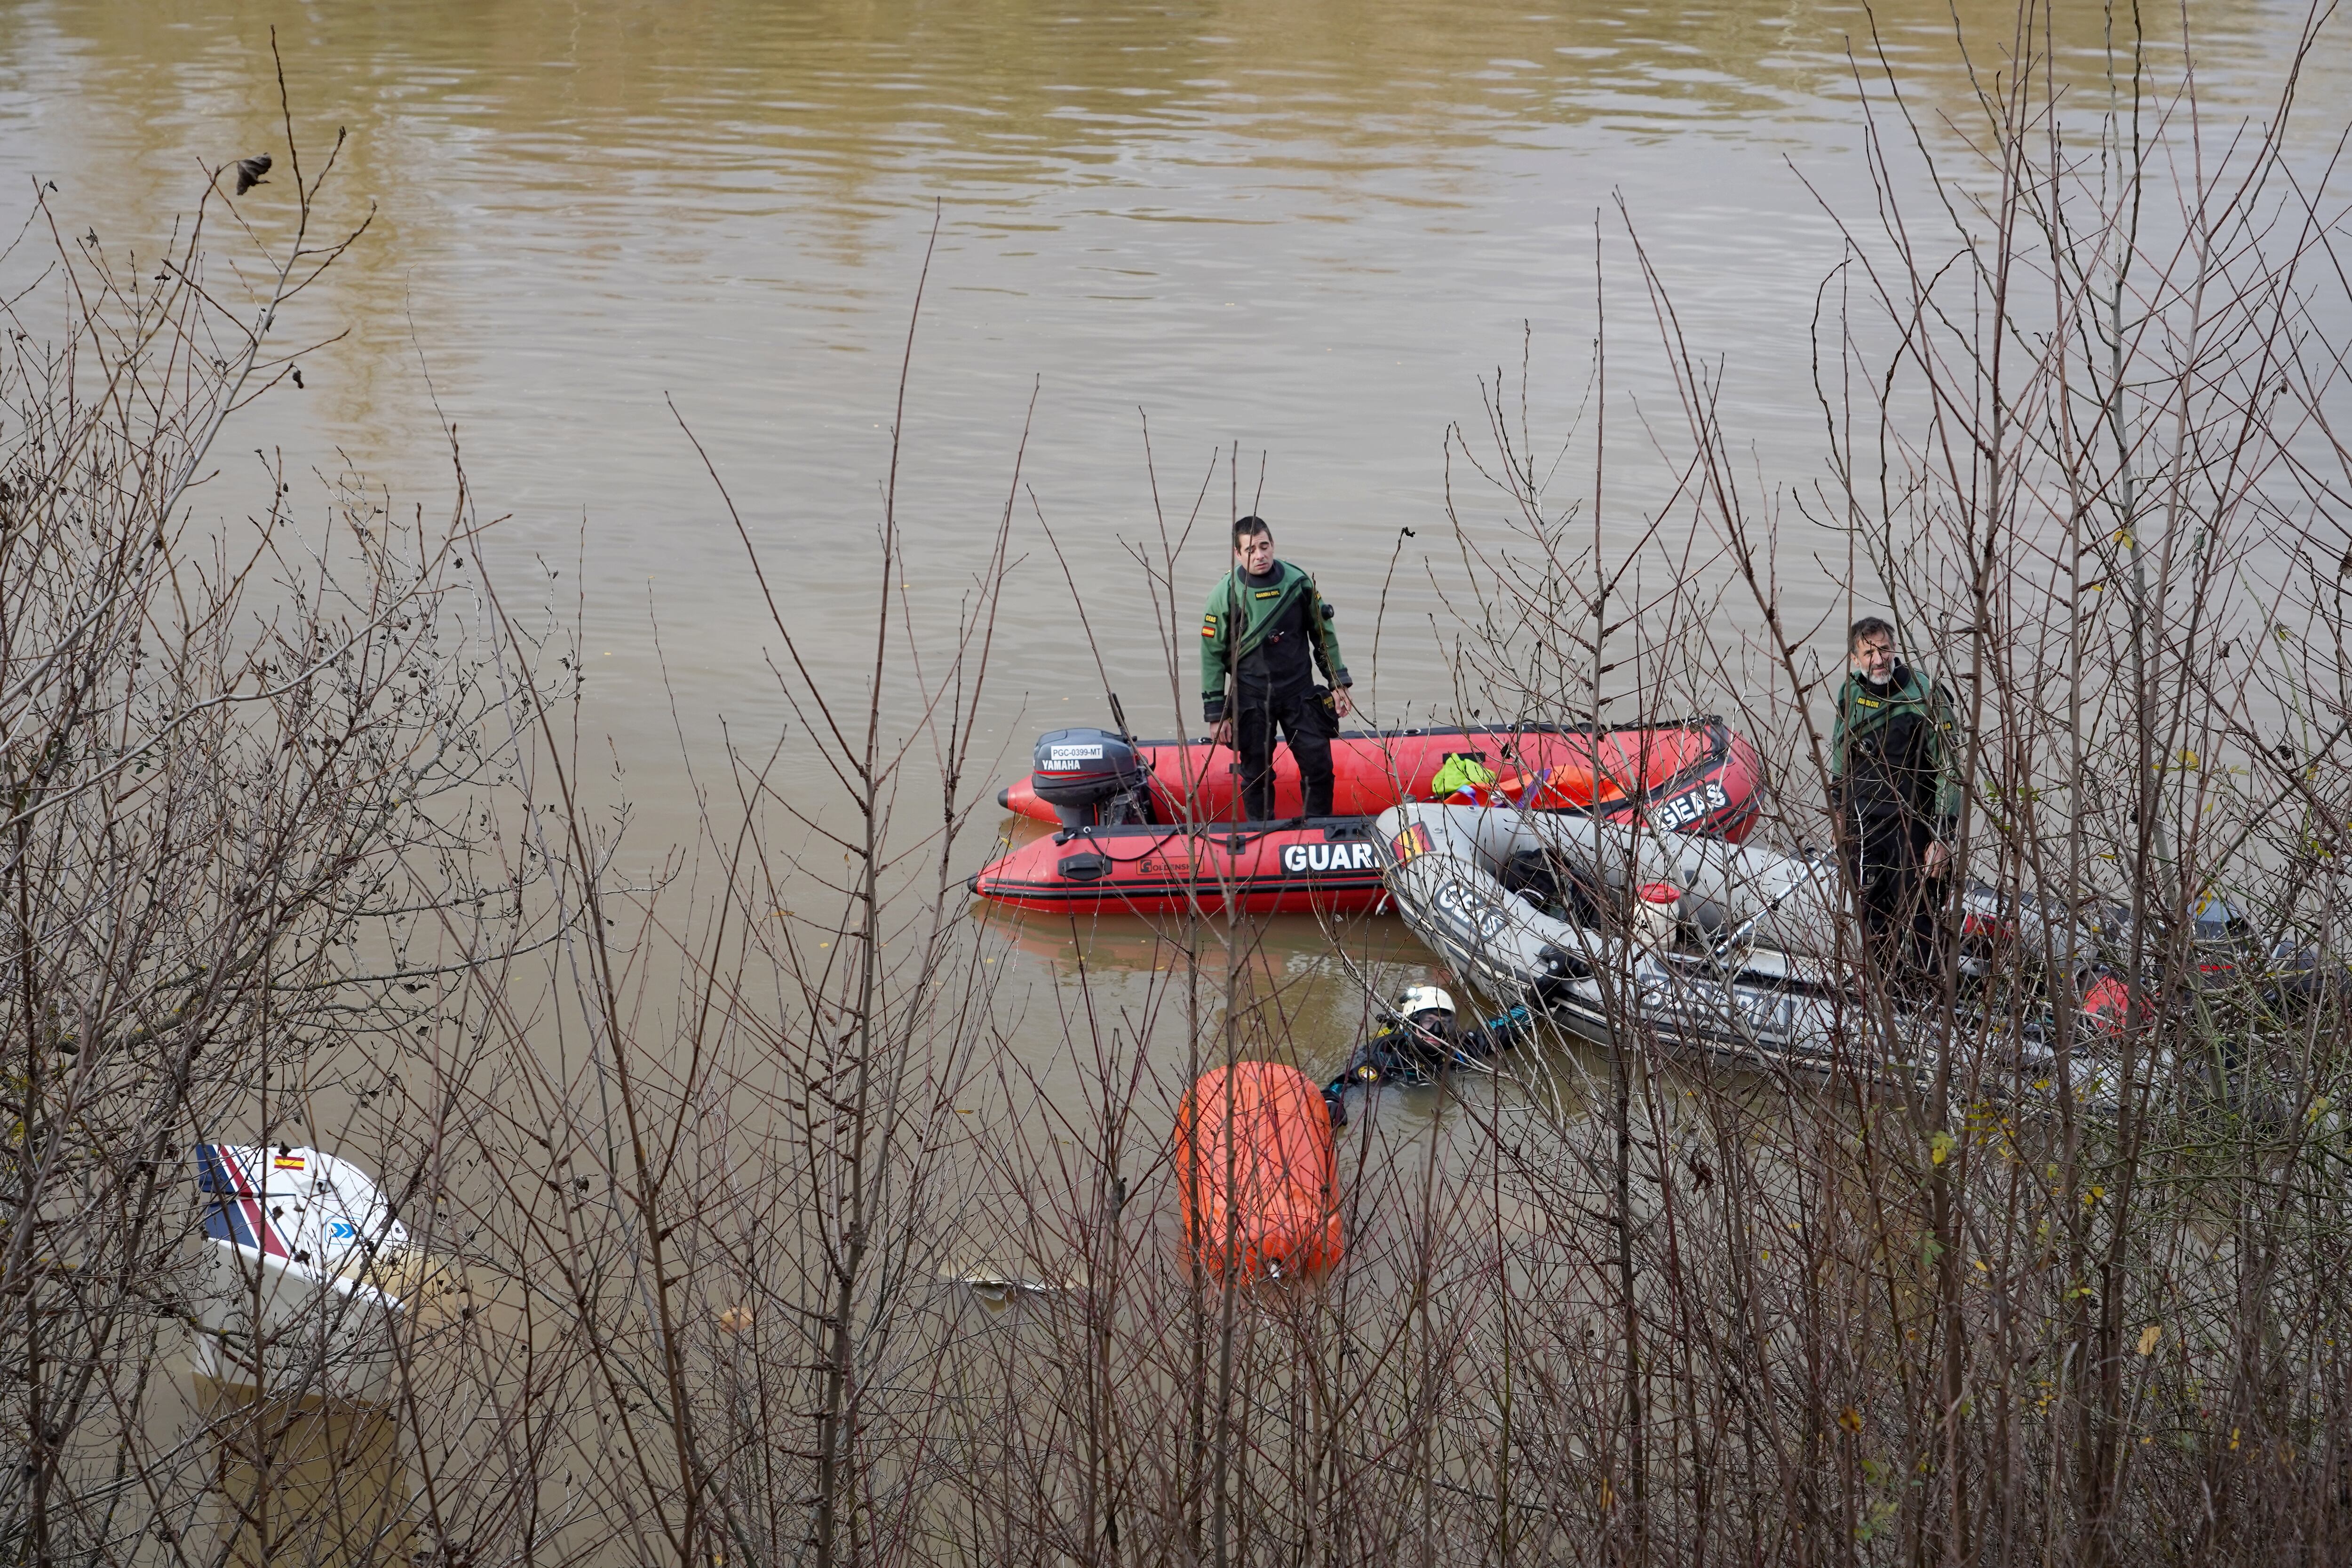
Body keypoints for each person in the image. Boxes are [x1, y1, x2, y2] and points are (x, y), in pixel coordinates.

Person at [1830, 616, 1962, 976]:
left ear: (1895, 649)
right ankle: (1882, 991)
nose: (1878, 659)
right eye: (1868, 652)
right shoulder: (1850, 693)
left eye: (1884, 649)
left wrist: (1942, 839)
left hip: (1912, 826)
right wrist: (1838, 812)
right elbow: (1839, 752)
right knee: (1871, 914)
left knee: (1920, 919)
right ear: (1855, 659)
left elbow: (1953, 770)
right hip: (1863, 822)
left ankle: (1929, 998)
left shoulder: (1925, 695)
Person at [1201, 516, 1351, 820]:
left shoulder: (1298, 583)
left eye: (1264, 546)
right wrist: (1217, 715)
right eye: (1251, 549)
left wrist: (1338, 684)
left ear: (1273, 545)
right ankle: (1261, 835)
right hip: (1252, 697)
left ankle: (1319, 828)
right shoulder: (1224, 594)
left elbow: (1323, 636)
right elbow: (1211, 655)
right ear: (1238, 554)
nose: (1260, 555)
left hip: (1299, 691)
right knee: (1255, 773)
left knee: (1319, 765)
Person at [1322, 986, 1531, 1126]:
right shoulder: (1387, 1058)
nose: (1437, 1030)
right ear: (1412, 1023)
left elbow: (1504, 1029)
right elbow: (1344, 1084)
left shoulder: (1461, 1050)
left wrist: (1540, 995)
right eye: (1428, 1021)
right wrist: (1332, 1103)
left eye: (1445, 1023)